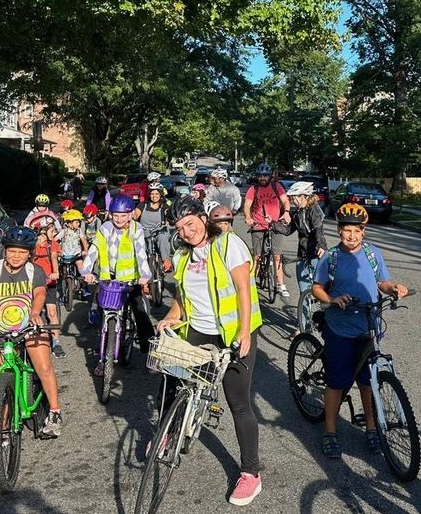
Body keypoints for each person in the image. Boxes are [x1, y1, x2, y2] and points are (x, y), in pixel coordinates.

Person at [156, 196, 264, 506]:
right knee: (170, 377)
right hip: (197, 329)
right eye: (179, 228)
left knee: (238, 402)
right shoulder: (181, 254)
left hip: (232, 333)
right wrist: (172, 315)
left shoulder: (229, 244)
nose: (186, 232)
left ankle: (251, 474)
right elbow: (182, 294)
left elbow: (244, 288)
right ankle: (168, 432)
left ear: (204, 219)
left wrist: (244, 331)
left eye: (190, 224)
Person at [311, 203, 407, 459]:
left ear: (364, 231)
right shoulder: (330, 258)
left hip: (368, 327)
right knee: (336, 382)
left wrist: (394, 287)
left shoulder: (372, 254)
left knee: (367, 380)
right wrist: (332, 299)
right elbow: (317, 288)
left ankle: (372, 428)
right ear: (339, 231)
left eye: (356, 230)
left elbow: (382, 282)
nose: (351, 236)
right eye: (346, 230)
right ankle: (330, 431)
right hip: (339, 327)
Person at [0, 226, 63, 444]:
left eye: (21, 252)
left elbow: (39, 292)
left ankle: (55, 411)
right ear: (5, 250)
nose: (16, 256)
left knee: (43, 366)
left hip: (29, 326)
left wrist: (34, 312)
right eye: (12, 251)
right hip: (0, 330)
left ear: (29, 253)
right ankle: (0, 431)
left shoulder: (34, 271)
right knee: (4, 379)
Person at [81, 195, 155, 371]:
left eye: (123, 215)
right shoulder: (105, 228)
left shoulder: (136, 229)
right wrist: (86, 270)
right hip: (109, 280)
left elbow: (141, 252)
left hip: (131, 281)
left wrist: (145, 274)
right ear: (110, 214)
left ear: (130, 214)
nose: (119, 219)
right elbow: (94, 250)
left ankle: (152, 356)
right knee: (103, 316)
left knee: (141, 313)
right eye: (115, 215)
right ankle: (102, 359)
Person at [243, 162, 291, 298]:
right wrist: (248, 217)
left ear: (270, 176)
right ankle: (251, 284)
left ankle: (281, 285)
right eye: (260, 176)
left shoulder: (277, 187)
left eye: (265, 176)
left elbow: (285, 201)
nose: (262, 178)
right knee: (257, 256)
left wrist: (286, 212)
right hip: (258, 225)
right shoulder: (254, 189)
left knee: (277, 255)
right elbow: (247, 205)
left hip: (275, 225)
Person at [279, 181, 328, 292]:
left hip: (316, 253)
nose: (292, 200)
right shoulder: (297, 213)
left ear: (303, 197)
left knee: (322, 288)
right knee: (303, 290)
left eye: (293, 197)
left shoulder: (314, 209)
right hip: (302, 254)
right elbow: (288, 231)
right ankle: (305, 309)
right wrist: (272, 224)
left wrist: (322, 246)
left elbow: (318, 228)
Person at [29, 219, 64, 358]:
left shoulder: (52, 244)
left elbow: (54, 258)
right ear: (42, 231)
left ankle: (56, 342)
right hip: (35, 284)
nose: (54, 233)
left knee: (52, 312)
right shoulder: (32, 246)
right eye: (51, 230)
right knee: (33, 311)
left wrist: (55, 273)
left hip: (49, 283)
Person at [133, 182, 173, 272]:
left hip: (159, 231)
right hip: (144, 231)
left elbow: (168, 213)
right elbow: (135, 215)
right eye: (152, 194)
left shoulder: (164, 206)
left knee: (162, 238)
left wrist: (170, 219)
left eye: (156, 194)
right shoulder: (142, 205)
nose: (154, 196)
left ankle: (166, 261)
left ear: (161, 194)